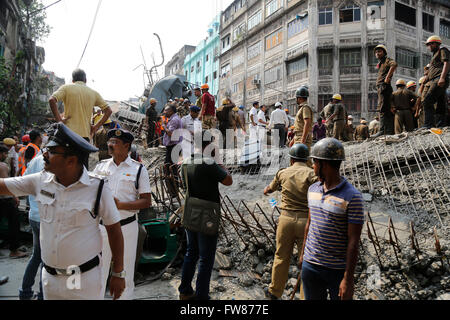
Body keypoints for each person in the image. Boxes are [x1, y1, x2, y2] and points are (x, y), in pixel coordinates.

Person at [0, 123, 126, 300]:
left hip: (82, 279)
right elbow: (3, 186)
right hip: (50, 279)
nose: (44, 155)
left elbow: (114, 230)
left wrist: (118, 273)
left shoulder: (97, 188)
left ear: (71, 160)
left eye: (51, 151)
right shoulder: (40, 181)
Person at [300, 138, 364, 300]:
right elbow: (309, 223)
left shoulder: (352, 196)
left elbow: (353, 241)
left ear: (324, 165)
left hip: (337, 270)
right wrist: (303, 255)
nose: (313, 168)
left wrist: (348, 280)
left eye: (315, 163)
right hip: (311, 266)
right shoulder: (313, 189)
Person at [93, 128, 151, 300]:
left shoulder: (139, 169)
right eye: (110, 141)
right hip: (102, 228)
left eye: (115, 143)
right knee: (98, 272)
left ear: (127, 146)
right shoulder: (100, 167)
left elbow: (146, 201)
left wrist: (120, 205)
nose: (110, 145)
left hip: (127, 227)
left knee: (124, 272)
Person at [178, 130, 233, 300]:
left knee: (191, 252)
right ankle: (202, 296)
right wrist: (220, 163)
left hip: (190, 212)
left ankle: (185, 291)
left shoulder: (186, 162)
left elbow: (184, 185)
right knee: (206, 258)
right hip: (207, 215)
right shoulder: (209, 162)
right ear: (209, 145)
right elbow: (228, 180)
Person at [263, 144, 318, 300]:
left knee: (281, 256)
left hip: (285, 220)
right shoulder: (312, 174)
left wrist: (267, 190)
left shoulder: (283, 173)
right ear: (307, 159)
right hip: (305, 222)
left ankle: (274, 292)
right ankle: (306, 295)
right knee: (307, 261)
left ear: (292, 159)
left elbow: (269, 190)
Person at [19, 154, 45, 300]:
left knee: (36, 256)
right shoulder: (52, 160)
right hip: (44, 217)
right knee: (46, 258)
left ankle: (25, 291)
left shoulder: (36, 158)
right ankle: (42, 294)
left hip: (34, 214)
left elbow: (24, 182)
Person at [0, 144, 27, 259]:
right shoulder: (2, 166)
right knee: (14, 223)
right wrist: (14, 196)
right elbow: (6, 184)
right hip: (5, 200)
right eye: (5, 153)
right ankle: (14, 250)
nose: (6, 155)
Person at [422, 35, 449, 128]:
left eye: (430, 44)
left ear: (436, 44)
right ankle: (441, 124)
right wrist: (426, 79)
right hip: (435, 79)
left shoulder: (442, 50)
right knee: (441, 103)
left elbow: (447, 63)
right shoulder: (434, 55)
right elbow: (433, 70)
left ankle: (429, 124)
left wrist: (442, 78)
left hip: (439, 79)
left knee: (427, 101)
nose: (429, 47)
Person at [372, 45, 397, 137]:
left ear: (384, 52)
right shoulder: (381, 63)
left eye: (379, 51)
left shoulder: (387, 60)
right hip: (381, 87)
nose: (377, 54)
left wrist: (387, 77)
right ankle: (389, 130)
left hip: (384, 86)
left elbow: (394, 64)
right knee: (386, 108)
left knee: (382, 108)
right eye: (376, 52)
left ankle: (382, 130)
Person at [290, 86, 313, 151]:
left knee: (302, 159)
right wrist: (293, 139)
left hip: (302, 138)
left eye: (296, 98)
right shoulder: (302, 108)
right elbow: (300, 126)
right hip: (298, 137)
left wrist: (303, 141)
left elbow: (307, 123)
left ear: (299, 98)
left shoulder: (305, 108)